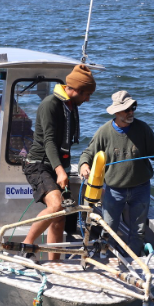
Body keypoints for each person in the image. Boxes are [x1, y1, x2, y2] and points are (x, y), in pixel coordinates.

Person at [79, 90, 154, 256]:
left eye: (133, 108)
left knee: (138, 231)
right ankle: (108, 256)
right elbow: (88, 153)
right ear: (116, 112)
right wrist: (84, 165)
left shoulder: (142, 128)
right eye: (127, 109)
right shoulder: (104, 132)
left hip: (141, 189)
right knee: (109, 228)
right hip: (113, 191)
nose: (131, 112)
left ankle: (133, 260)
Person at [22, 64, 97, 260]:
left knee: (60, 217)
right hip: (38, 163)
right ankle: (26, 245)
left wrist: (65, 167)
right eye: (87, 94)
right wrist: (60, 171)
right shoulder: (50, 105)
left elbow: (65, 143)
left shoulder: (70, 106)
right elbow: (48, 141)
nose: (88, 99)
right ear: (77, 90)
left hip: (56, 165)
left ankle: (54, 264)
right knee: (55, 205)